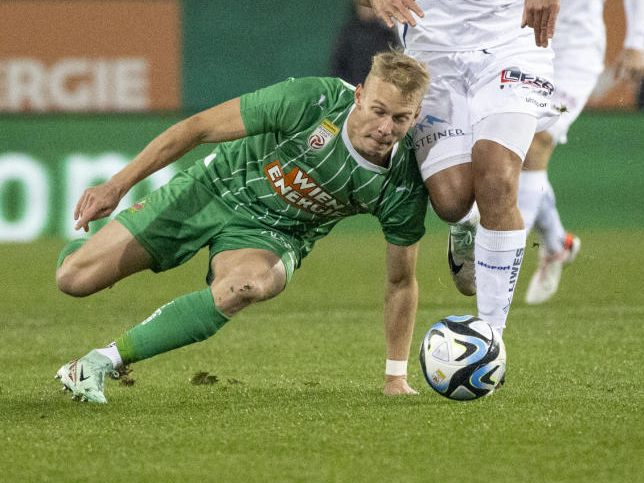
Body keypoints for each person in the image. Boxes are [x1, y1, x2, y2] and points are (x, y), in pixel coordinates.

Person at [54, 51, 430, 403]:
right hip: (214, 188)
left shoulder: (403, 183)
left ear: (415, 117)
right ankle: (90, 253)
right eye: (378, 111)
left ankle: (99, 362)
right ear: (359, 96)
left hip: (275, 236)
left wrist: (395, 377)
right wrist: (116, 186)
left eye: (399, 118)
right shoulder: (312, 100)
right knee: (73, 279)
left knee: (244, 287)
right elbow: (197, 128)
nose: (385, 128)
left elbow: (401, 281)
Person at [364, 0, 561, 337]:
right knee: (452, 202)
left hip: (512, 39)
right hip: (431, 43)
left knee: (497, 178)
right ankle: (467, 223)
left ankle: (490, 341)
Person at [519, 0, 644, 304]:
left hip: (574, 55)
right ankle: (557, 243)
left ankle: (502, 251)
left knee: (537, 141)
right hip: (520, 47)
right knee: (513, 148)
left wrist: (637, 41)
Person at [330, 0, 401, 86]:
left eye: (369, 6)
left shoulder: (386, 33)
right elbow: (339, 66)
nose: (366, 10)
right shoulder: (349, 32)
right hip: (353, 89)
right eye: (363, 6)